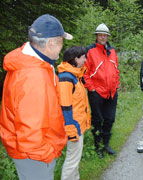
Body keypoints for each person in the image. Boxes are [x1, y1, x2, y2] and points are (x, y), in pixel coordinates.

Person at [0, 14, 72, 180]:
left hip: (32, 151)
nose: (62, 47)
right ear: (51, 43)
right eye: (61, 41)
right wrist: (49, 153)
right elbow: (30, 131)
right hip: (35, 157)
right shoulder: (33, 76)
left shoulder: (34, 62)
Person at [83, 23, 120, 158]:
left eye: (105, 35)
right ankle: (97, 146)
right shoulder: (89, 50)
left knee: (109, 119)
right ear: (96, 36)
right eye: (100, 35)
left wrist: (116, 85)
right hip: (97, 92)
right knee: (98, 120)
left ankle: (106, 144)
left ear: (107, 36)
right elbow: (84, 72)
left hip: (111, 92)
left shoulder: (113, 51)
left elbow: (116, 70)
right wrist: (92, 89)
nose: (103, 37)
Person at [57, 46, 91, 180]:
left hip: (78, 124)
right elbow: (65, 106)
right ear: (75, 59)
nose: (85, 60)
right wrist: (71, 129)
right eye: (83, 57)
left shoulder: (75, 75)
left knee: (75, 159)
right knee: (72, 161)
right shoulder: (66, 78)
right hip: (73, 126)